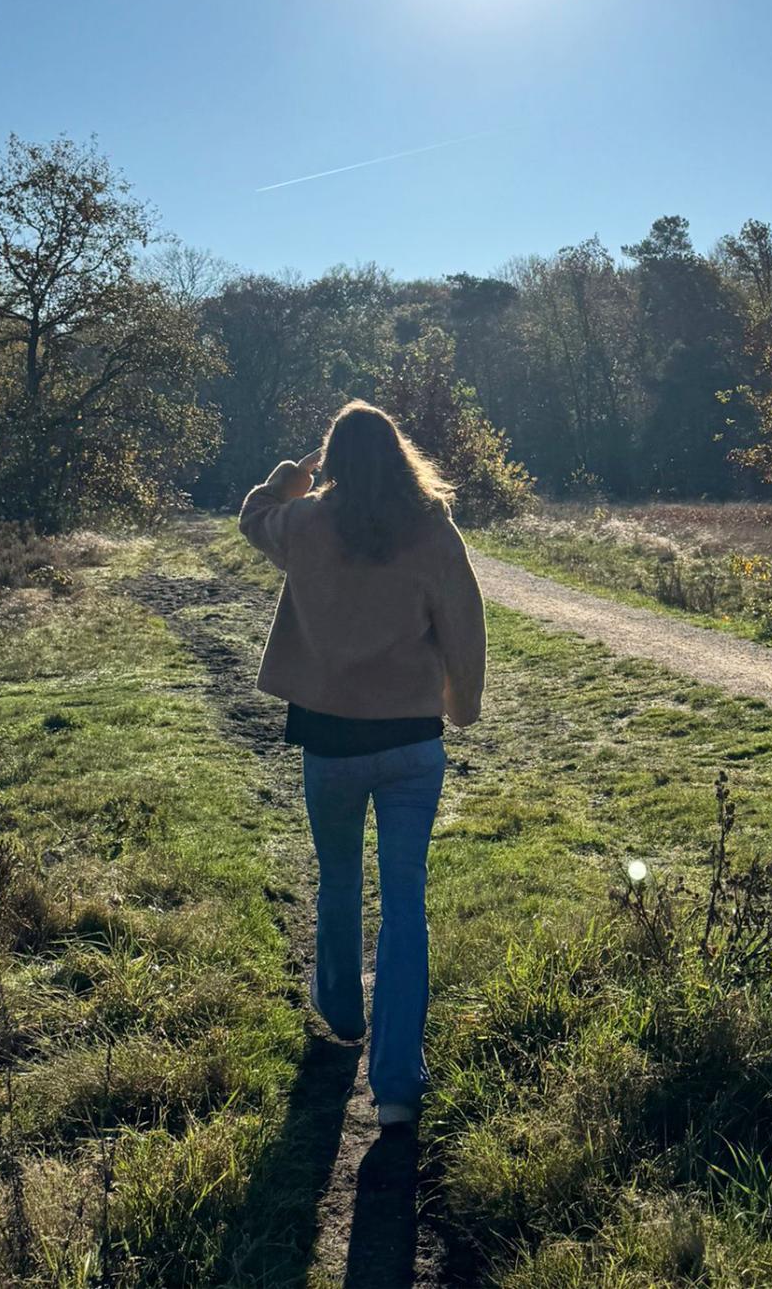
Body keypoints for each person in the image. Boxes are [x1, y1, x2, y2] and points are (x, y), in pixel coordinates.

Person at [239, 400, 486, 1130]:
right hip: (412, 744)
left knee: (339, 877)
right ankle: (398, 1086)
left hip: (328, 741)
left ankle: (343, 1015)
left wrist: (288, 478)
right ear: (402, 454)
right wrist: (460, 706)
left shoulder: (307, 522)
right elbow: (466, 630)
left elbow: (252, 517)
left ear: (335, 461)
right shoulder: (434, 532)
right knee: (406, 900)